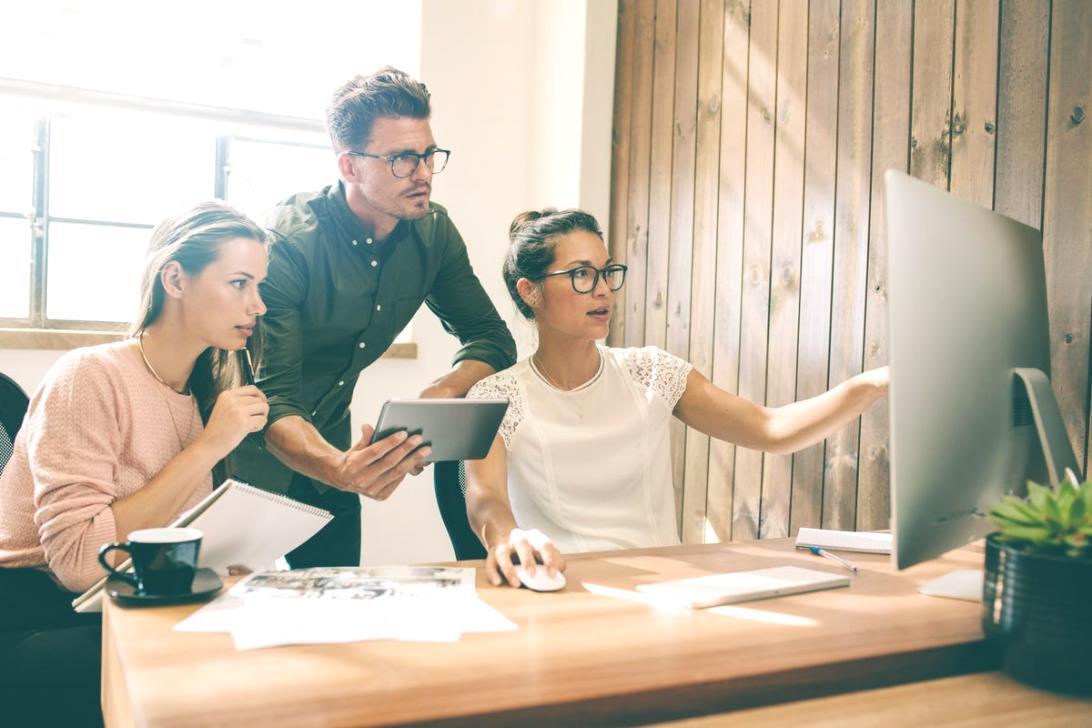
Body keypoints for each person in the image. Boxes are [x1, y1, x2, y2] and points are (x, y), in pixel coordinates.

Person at [465, 209, 890, 588]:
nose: (603, 291)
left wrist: (871, 385)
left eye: (606, 272)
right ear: (530, 291)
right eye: (581, 274)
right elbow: (486, 500)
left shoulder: (652, 372)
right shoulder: (494, 396)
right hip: (563, 590)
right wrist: (507, 538)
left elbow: (770, 428)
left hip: (670, 590)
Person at [228, 67, 516, 568]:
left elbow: (491, 337)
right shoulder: (289, 246)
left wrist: (445, 389)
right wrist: (339, 468)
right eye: (403, 158)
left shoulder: (434, 234)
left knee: (337, 613)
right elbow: (274, 398)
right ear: (350, 165)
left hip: (333, 454)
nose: (423, 172)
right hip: (240, 460)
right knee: (226, 623)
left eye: (428, 154)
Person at [0, 201, 271, 726]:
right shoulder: (89, 375)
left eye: (259, 285)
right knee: (204, 666)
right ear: (175, 279)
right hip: (27, 613)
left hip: (114, 608)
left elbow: (159, 544)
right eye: (239, 283)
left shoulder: (195, 398)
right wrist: (208, 449)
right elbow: (81, 564)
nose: (257, 305)